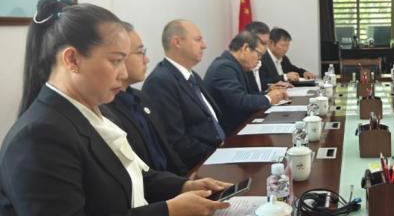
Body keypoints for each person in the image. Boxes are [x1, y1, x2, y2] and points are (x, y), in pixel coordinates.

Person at [0, 0, 230, 216]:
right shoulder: (39, 134)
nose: (124, 74)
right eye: (115, 60)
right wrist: (168, 213)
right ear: (72, 59)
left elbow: (128, 175)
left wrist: (182, 186)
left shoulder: (95, 111)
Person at [101, 22, 190, 176]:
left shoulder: (140, 98)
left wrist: (187, 180)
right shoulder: (105, 111)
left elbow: (167, 151)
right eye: (140, 52)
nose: (147, 59)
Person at [142, 20, 225, 169]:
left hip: (217, 153)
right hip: (197, 166)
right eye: (198, 40)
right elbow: (176, 141)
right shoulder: (160, 82)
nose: (204, 45)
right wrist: (219, 154)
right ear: (177, 42)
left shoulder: (191, 75)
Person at [203, 31, 288, 134]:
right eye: (258, 55)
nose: (259, 60)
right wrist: (269, 98)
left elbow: (247, 95)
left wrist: (269, 94)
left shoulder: (234, 65)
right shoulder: (224, 67)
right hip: (230, 132)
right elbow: (239, 101)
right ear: (245, 48)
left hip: (239, 125)